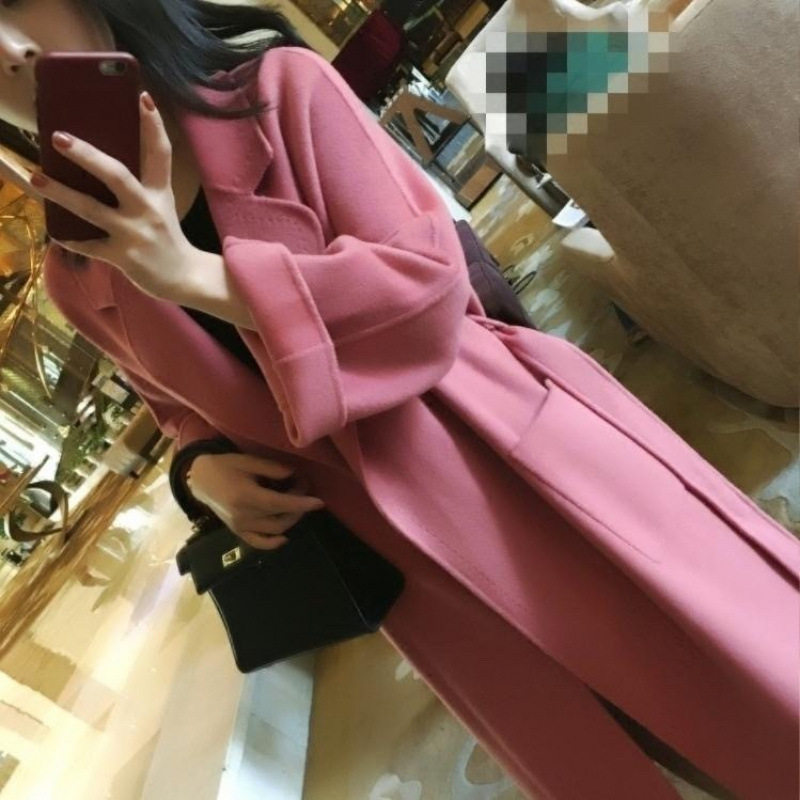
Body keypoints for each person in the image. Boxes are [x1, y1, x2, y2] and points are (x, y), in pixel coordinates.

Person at [1, 2, 797, 799]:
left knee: (748, 676)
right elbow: (177, 410)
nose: (7, 50)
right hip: (403, 563)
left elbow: (426, 291)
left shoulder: (280, 93)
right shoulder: (79, 274)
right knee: (602, 757)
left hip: (514, 457)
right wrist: (198, 471)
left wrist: (198, 277)